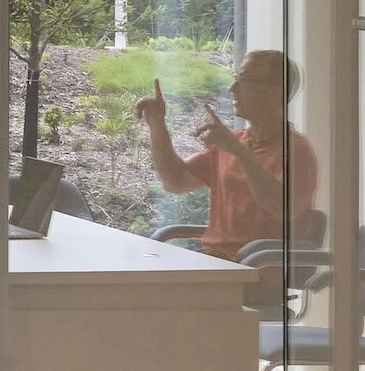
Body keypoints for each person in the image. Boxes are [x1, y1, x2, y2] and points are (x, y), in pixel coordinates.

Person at [134, 49, 318, 258]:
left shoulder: (296, 149)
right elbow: (175, 180)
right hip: (215, 264)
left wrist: (240, 153)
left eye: (244, 80)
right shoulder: (232, 142)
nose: (233, 88)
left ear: (275, 92)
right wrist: (158, 125)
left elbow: (284, 209)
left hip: (259, 268)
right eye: (235, 79)